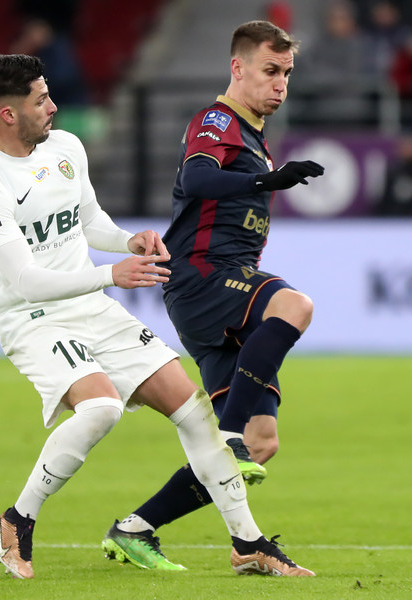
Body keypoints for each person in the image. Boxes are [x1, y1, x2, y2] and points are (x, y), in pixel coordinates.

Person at [0, 53, 313, 579]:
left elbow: (88, 221)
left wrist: (129, 240)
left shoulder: (64, 147)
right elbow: (27, 281)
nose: (53, 107)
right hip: (31, 317)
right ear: (8, 114)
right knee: (101, 407)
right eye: (41, 100)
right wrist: (111, 273)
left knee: (193, 409)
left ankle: (247, 543)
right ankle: (16, 520)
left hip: (88, 306)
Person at [103, 19, 324, 571]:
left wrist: (266, 175)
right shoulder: (217, 120)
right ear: (237, 67)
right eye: (270, 71)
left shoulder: (253, 135)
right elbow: (198, 180)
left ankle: (137, 528)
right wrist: (268, 180)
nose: (280, 84)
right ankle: (228, 437)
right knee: (294, 306)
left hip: (217, 288)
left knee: (262, 438)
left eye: (287, 73)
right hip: (203, 276)